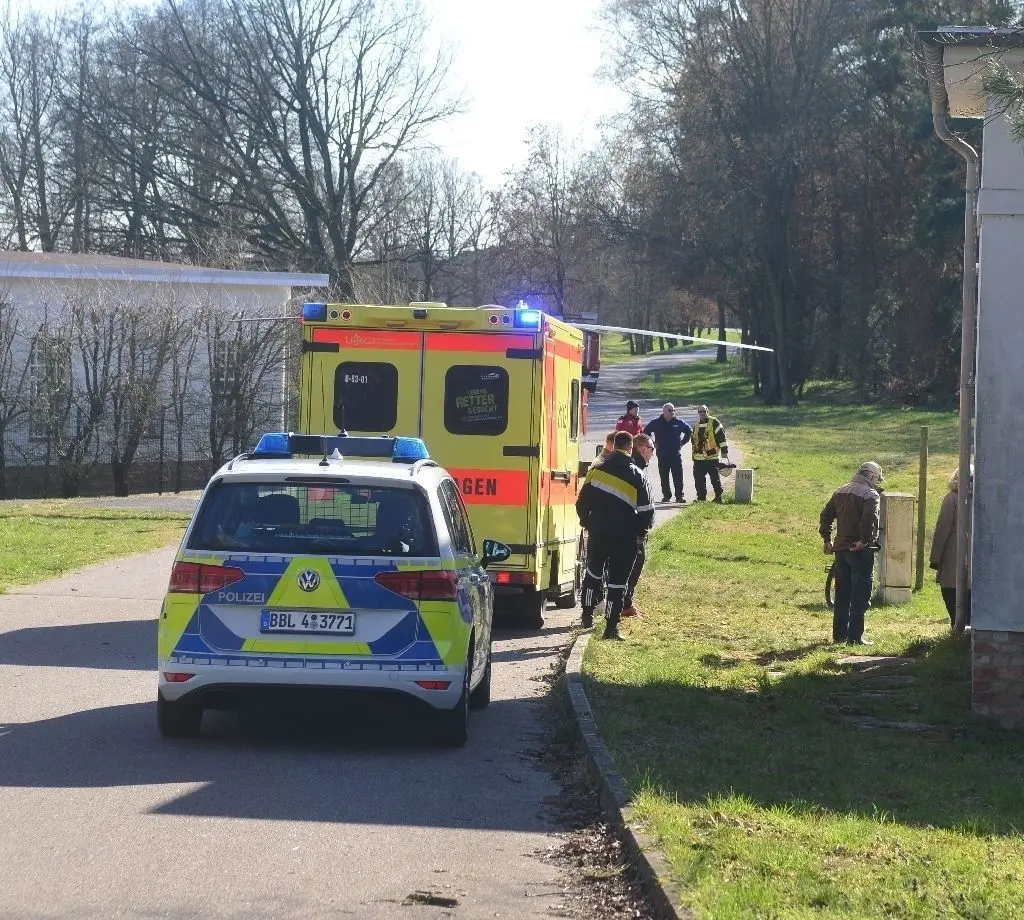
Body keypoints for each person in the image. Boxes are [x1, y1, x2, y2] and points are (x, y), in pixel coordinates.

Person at [576, 431, 654, 640]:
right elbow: (647, 511)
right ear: (630, 449)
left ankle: (586, 615)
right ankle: (611, 628)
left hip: (598, 534)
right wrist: (640, 533)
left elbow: (581, 503)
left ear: (613, 446)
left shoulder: (596, 471)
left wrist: (587, 523)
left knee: (593, 574)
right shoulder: (638, 475)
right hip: (625, 538)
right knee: (618, 583)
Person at [819, 461, 883, 646]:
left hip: (840, 550)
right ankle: (855, 637)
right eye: (877, 478)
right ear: (871, 476)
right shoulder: (871, 495)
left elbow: (826, 515)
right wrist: (864, 541)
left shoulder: (840, 490)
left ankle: (840, 636)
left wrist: (827, 539)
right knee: (860, 595)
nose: (877, 482)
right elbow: (870, 519)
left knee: (842, 595)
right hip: (860, 551)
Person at [930, 466, 972, 628]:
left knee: (951, 592)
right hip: (974, 560)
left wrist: (935, 559)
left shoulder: (952, 499)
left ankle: (957, 630)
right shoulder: (980, 499)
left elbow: (942, 529)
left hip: (953, 557)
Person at [622, 433, 656, 618]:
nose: (653, 454)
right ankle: (626, 605)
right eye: (652, 450)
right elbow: (644, 505)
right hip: (633, 528)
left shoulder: (634, 465)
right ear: (643, 448)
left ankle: (626, 603)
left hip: (626, 525)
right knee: (634, 563)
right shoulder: (636, 468)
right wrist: (643, 530)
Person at [644, 403, 692, 504]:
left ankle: (679, 496)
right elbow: (645, 432)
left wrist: (682, 442)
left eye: (673, 410)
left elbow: (689, 431)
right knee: (664, 476)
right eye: (670, 410)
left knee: (678, 476)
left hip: (675, 454)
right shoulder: (656, 422)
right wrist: (652, 443)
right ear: (664, 411)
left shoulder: (679, 422)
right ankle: (666, 496)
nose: (672, 412)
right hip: (662, 454)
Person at [692, 405, 730, 503]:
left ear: (707, 411)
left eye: (704, 411)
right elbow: (693, 441)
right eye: (700, 412)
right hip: (698, 459)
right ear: (698, 413)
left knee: (715, 479)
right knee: (699, 480)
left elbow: (721, 437)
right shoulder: (696, 425)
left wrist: (724, 451)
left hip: (711, 456)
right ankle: (701, 499)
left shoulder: (714, 422)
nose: (702, 413)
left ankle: (718, 497)